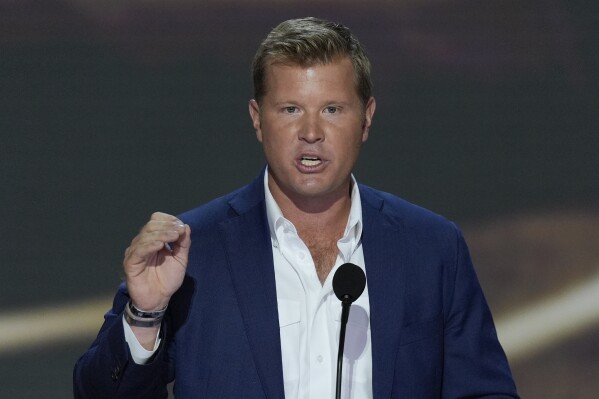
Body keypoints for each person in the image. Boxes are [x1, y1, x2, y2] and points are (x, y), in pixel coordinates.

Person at [74, 17, 519, 398]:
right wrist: (145, 315)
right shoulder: (190, 250)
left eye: (332, 109)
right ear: (256, 118)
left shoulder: (432, 246)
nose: (311, 131)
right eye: (290, 109)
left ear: (366, 118)